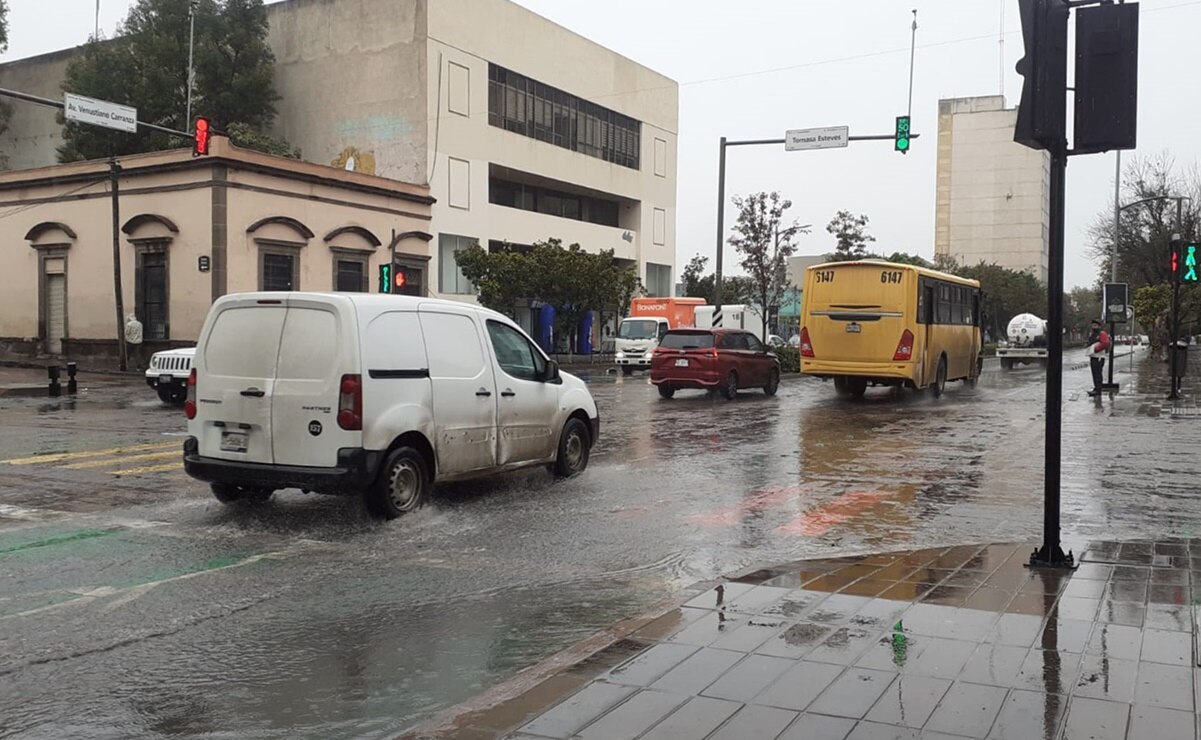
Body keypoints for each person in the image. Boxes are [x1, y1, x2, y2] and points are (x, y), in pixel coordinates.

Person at [1086, 318, 1110, 397]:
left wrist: (1095, 349)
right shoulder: (1093, 334)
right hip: (1093, 356)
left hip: (1099, 357)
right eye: (1093, 325)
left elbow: (1105, 343)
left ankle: (1098, 390)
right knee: (1094, 373)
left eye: (1095, 325)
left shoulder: (1102, 334)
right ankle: (1096, 388)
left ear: (1099, 326)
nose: (1094, 327)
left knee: (1098, 374)